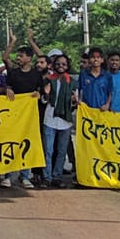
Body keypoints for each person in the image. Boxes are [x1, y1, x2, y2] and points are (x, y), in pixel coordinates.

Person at [2, 47, 46, 189]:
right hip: (13, 115)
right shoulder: (13, 73)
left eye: (21, 56)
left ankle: (25, 175)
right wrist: (8, 89)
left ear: (29, 58)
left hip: (29, 117)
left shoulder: (36, 74)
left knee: (27, 144)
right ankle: (8, 175)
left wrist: (38, 94)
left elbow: (41, 90)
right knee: (11, 143)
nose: (18, 58)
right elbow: (7, 86)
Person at [42, 53, 77, 186]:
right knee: (48, 150)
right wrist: (45, 93)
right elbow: (43, 100)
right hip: (50, 118)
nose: (60, 66)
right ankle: (47, 177)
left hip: (65, 121)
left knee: (62, 151)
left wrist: (74, 101)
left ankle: (57, 177)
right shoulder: (48, 79)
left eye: (63, 64)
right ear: (54, 65)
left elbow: (75, 103)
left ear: (67, 66)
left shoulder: (72, 82)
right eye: (58, 64)